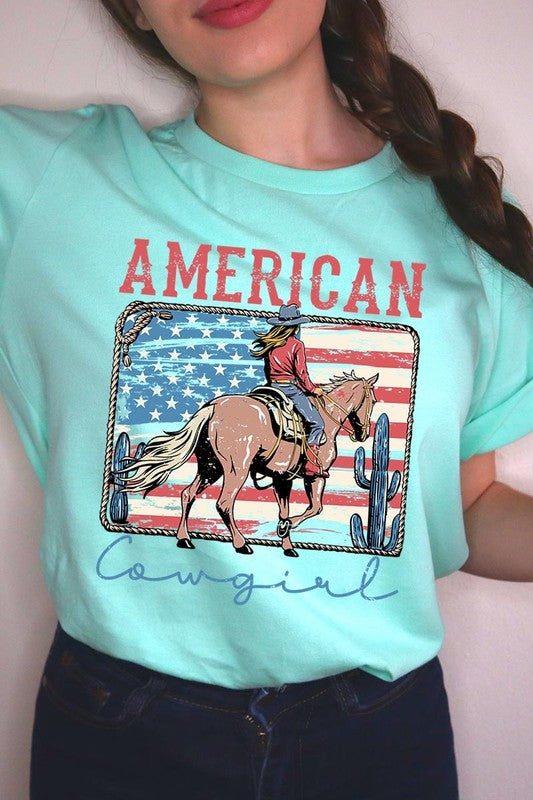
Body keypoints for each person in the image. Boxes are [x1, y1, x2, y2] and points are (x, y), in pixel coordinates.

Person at [0, 1, 532, 798]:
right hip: (123, 728)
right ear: (136, 8)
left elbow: (464, 506)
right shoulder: (44, 179)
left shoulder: (462, 230)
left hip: (373, 732)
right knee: (306, 423)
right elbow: (281, 378)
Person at [250, 303, 327, 477]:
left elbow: (267, 370)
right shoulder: (296, 345)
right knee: (317, 423)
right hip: (289, 389)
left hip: (271, 387)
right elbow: (301, 373)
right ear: (295, 326)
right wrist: (313, 389)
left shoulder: (270, 344)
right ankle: (311, 465)